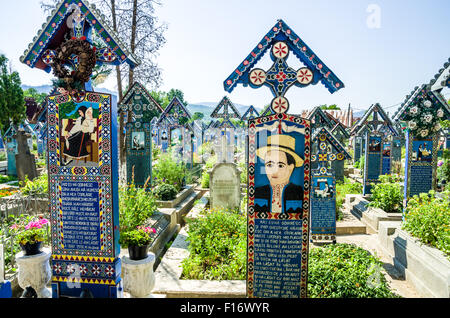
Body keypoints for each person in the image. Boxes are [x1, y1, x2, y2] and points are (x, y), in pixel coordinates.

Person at [254, 134, 304, 215]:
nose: (274, 171)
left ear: (290, 167)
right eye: (269, 165)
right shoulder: (258, 192)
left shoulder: (298, 191)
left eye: (280, 165)